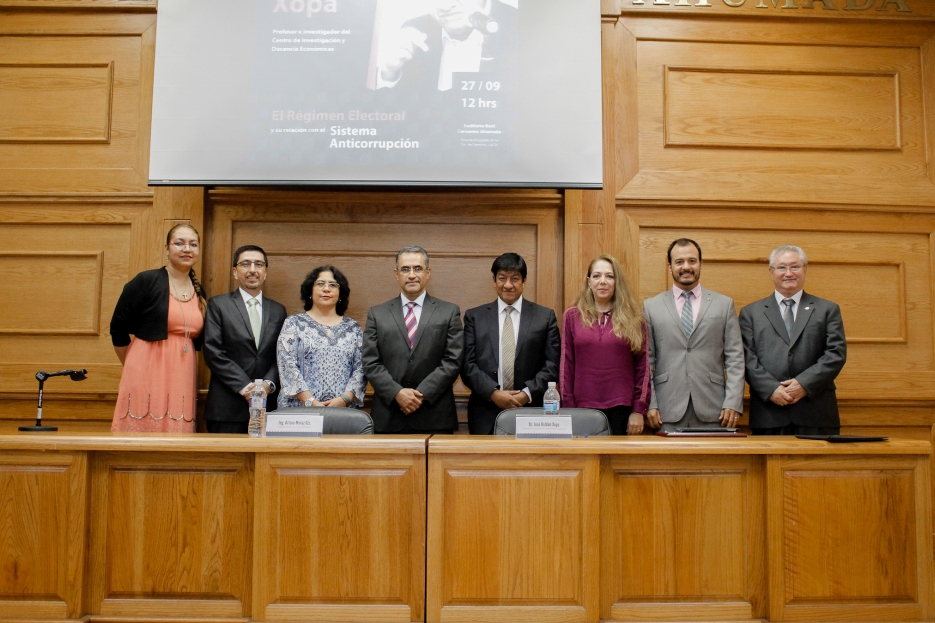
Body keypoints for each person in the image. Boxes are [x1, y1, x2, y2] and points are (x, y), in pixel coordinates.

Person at [739, 245, 847, 435]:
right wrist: (771, 389)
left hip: (816, 413)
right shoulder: (751, 313)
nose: (788, 273)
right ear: (771, 272)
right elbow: (746, 357)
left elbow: (835, 354)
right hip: (769, 414)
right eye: (782, 267)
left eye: (794, 267)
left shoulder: (827, 310)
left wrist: (804, 384)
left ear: (805, 269)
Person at [110, 224, 206, 432]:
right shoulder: (146, 281)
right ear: (167, 248)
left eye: (193, 244)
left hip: (183, 371)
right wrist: (133, 364)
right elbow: (118, 328)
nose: (187, 249)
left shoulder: (199, 290)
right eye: (179, 243)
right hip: (146, 367)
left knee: (176, 429)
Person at [643, 239, 744, 432]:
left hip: (714, 408)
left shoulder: (724, 305)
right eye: (679, 262)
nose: (686, 267)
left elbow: (735, 358)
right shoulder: (651, 307)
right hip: (666, 409)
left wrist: (733, 401)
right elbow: (646, 361)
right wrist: (650, 403)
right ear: (670, 266)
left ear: (701, 264)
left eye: (692, 261)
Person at [362, 246, 463, 433]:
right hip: (389, 415)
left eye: (417, 268)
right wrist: (397, 393)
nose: (411, 275)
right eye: (405, 269)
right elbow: (370, 362)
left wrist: (421, 394)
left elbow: (453, 360)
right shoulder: (377, 314)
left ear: (428, 272)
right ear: (396, 274)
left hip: (435, 415)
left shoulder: (449, 312)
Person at [462, 252, 560, 434]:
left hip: (532, 412)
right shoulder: (475, 317)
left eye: (514, 279)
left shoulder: (544, 317)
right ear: (494, 280)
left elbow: (552, 365)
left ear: (524, 281)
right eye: (502, 278)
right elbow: (467, 365)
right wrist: (493, 393)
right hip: (485, 413)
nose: (508, 285)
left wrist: (526, 394)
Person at [560, 254, 650, 435]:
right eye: (596, 276)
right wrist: (568, 407)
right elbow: (565, 365)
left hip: (622, 409)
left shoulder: (634, 318)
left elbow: (643, 366)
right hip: (581, 409)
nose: (603, 281)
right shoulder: (572, 316)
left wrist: (638, 410)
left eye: (609, 276)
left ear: (617, 282)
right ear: (589, 282)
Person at [203, 245, 287, 434]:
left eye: (258, 264)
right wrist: (247, 388)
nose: (252, 270)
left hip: (268, 406)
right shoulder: (218, 305)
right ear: (235, 271)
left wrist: (266, 385)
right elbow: (213, 351)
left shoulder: (278, 310)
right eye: (245, 264)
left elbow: (282, 355)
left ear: (265, 272)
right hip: (226, 408)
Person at [374, 0, 517, 91]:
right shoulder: (415, 30)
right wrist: (389, 73)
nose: (445, 6)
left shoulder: (520, 25)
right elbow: (404, 107)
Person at [276, 266, 366, 410]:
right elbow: (287, 366)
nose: (326, 289)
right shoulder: (294, 323)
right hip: (299, 411)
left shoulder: (353, 328)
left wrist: (344, 399)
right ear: (310, 291)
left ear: (340, 293)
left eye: (333, 285)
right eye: (320, 283)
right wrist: (311, 402)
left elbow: (361, 369)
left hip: (342, 412)